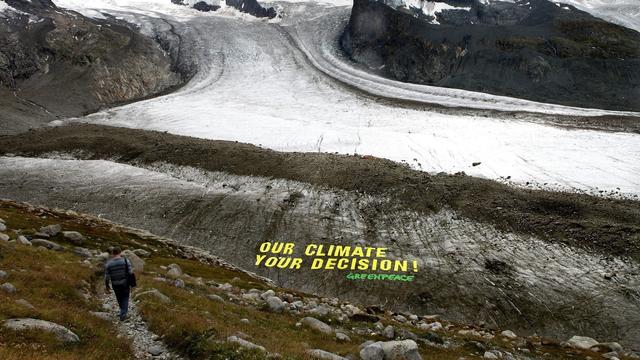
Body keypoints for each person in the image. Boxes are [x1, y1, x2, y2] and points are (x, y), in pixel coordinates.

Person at [104, 247, 134, 321]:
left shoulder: (109, 264)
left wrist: (107, 285)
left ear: (113, 253)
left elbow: (106, 276)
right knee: (125, 298)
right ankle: (123, 314)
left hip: (115, 284)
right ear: (120, 252)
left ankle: (122, 311)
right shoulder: (126, 261)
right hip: (125, 283)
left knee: (119, 297)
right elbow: (130, 272)